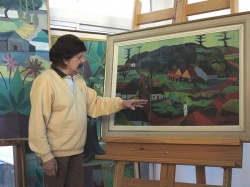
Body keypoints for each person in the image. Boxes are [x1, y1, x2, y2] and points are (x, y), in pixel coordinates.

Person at [28, 34, 147, 187]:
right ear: (65, 59)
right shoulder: (45, 82)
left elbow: (95, 103)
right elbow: (37, 122)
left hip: (77, 152)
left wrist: (122, 103)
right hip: (55, 155)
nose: (83, 61)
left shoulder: (77, 80)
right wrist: (46, 156)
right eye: (79, 57)